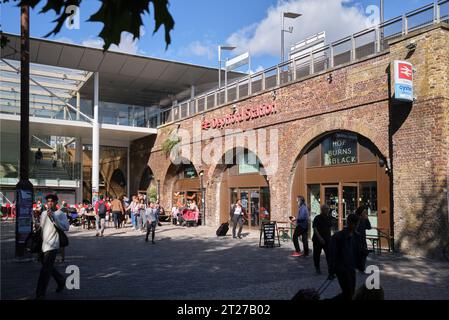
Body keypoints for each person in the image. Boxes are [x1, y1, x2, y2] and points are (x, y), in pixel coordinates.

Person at [35, 194, 69, 300]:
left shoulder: (60, 214)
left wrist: (54, 218)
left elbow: (66, 227)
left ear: (56, 203)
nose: (50, 203)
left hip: (53, 245)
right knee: (48, 267)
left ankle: (40, 293)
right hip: (43, 244)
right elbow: (42, 228)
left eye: (52, 201)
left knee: (45, 270)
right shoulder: (44, 213)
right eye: (48, 201)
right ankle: (61, 280)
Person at [328, 214, 367, 300]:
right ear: (350, 223)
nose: (356, 226)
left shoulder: (356, 236)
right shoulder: (338, 237)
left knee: (350, 292)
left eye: (357, 224)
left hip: (351, 268)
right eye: (355, 224)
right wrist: (331, 270)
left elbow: (357, 252)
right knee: (348, 293)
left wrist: (363, 255)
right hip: (341, 269)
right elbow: (332, 254)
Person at [312, 204, 333, 274]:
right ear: (322, 210)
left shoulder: (329, 218)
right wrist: (320, 238)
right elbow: (315, 229)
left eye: (328, 209)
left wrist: (330, 237)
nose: (327, 210)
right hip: (317, 240)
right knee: (317, 254)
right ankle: (317, 268)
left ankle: (330, 269)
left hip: (327, 239)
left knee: (329, 254)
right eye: (326, 209)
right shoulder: (317, 218)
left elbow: (330, 228)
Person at [355, 205, 371, 271]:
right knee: (357, 253)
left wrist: (367, 218)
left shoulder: (364, 219)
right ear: (360, 212)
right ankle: (358, 266)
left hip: (362, 239)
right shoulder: (356, 218)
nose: (365, 213)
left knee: (364, 253)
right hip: (356, 239)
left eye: (365, 212)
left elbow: (369, 227)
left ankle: (361, 267)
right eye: (364, 212)